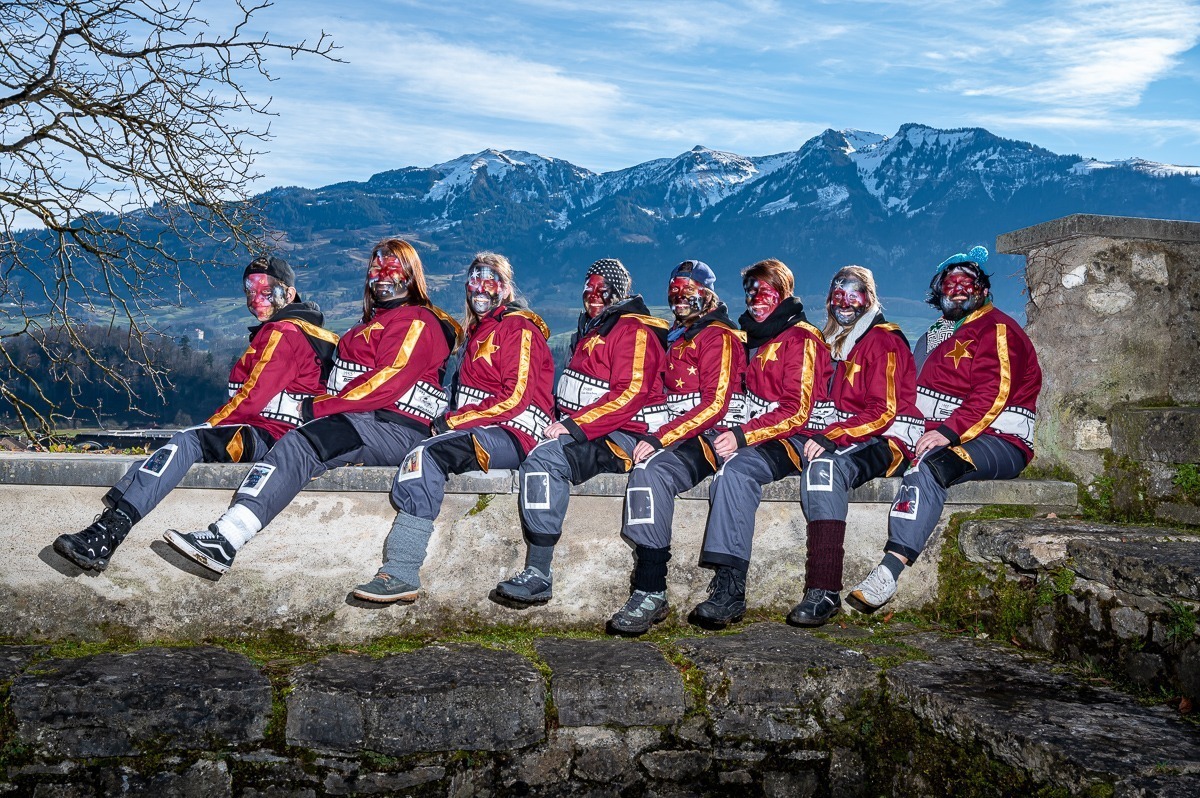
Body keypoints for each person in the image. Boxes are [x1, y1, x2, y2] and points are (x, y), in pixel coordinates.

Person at [163, 238, 462, 575]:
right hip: (363, 422)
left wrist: (317, 408)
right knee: (294, 443)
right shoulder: (372, 323)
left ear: (411, 274)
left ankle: (227, 538)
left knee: (301, 444)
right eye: (374, 267)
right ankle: (225, 535)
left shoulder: (417, 321)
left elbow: (388, 380)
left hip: (391, 425)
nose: (380, 275)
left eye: (392, 267)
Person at [52, 256, 337, 572]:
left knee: (187, 442)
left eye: (267, 291)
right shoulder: (314, 334)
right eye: (249, 291)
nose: (256, 299)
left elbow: (251, 398)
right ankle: (111, 522)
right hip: (289, 437)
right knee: (172, 450)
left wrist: (206, 426)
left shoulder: (284, 331)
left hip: (267, 435)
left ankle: (106, 536)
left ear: (290, 293)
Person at [846, 246, 1042, 613]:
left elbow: (993, 391)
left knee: (931, 466)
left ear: (983, 289)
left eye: (967, 284)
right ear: (938, 291)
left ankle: (888, 572)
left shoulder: (998, 329)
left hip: (999, 441)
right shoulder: (936, 334)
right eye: (949, 285)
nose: (958, 290)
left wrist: (949, 433)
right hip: (935, 434)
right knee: (866, 454)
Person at [350, 253, 555, 602]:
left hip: (515, 433)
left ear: (505, 289)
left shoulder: (519, 328)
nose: (480, 288)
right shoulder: (478, 331)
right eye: (474, 280)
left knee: (427, 456)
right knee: (415, 450)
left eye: (490, 281)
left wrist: (452, 421)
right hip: (484, 430)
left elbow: (516, 397)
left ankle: (402, 569)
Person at [494, 258, 669, 604]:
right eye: (588, 290)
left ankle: (540, 572)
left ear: (617, 292)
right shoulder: (592, 328)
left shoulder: (633, 331)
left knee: (544, 461)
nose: (592, 296)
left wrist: (574, 428)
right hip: (595, 429)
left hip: (625, 435)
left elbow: (629, 395)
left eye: (601, 290)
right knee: (538, 451)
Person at [688, 258, 832, 628]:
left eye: (763, 291)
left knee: (736, 472)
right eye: (749, 292)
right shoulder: (754, 335)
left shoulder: (801, 338)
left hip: (799, 437)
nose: (754, 299)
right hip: (761, 431)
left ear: (783, 293)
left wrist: (740, 436)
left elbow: (797, 410)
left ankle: (730, 590)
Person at [607, 259, 746, 636]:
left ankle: (650, 589)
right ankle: (651, 590)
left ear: (707, 292)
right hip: (673, 432)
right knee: (640, 467)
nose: (677, 299)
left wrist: (658, 438)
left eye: (687, 292)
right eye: (673, 293)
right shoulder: (677, 334)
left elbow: (715, 403)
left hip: (710, 437)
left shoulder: (719, 336)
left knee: (652, 472)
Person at [786, 265, 923, 626]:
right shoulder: (836, 341)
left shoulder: (884, 340)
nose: (844, 303)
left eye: (853, 295)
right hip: (853, 431)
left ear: (869, 298)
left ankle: (823, 589)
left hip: (891, 438)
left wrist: (830, 437)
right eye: (837, 296)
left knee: (824, 467)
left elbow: (884, 411)